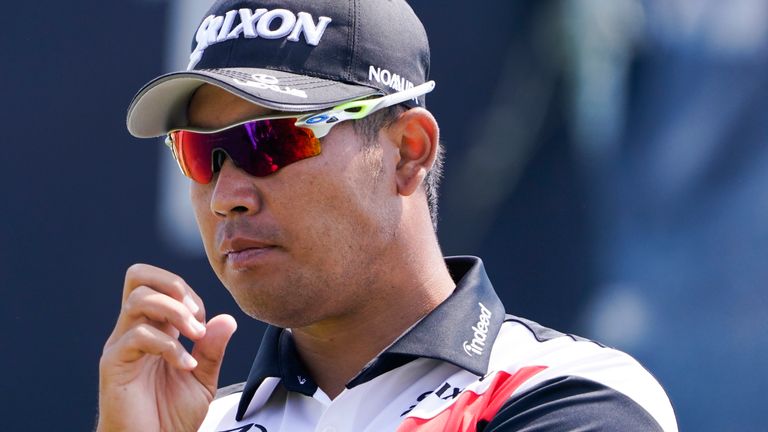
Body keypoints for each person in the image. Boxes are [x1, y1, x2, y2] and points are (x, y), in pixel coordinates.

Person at [97, 0, 678, 431]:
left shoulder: (570, 392)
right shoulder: (193, 422)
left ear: (408, 152)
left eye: (270, 141)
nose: (228, 194)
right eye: (200, 154)